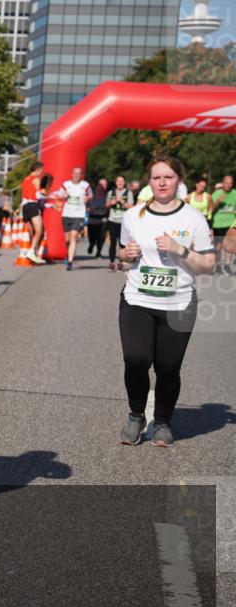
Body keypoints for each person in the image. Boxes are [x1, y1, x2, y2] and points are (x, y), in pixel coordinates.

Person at [118, 156, 215, 447]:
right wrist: (127, 254)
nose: (162, 182)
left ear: (178, 181)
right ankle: (136, 414)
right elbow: (122, 254)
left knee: (168, 367)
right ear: (149, 181)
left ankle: (162, 420)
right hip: (138, 298)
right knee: (136, 360)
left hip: (179, 303)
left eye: (168, 177)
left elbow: (209, 264)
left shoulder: (194, 218)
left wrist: (179, 250)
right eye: (156, 177)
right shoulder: (133, 216)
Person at [56, 167, 92, 270]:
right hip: (67, 214)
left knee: (74, 236)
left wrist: (88, 198)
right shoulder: (66, 184)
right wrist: (63, 196)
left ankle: (70, 262)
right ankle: (68, 254)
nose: (76, 175)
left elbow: (90, 194)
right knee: (67, 239)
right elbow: (59, 195)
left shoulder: (85, 185)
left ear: (82, 175)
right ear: (71, 174)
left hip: (79, 214)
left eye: (79, 173)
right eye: (75, 173)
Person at [20, 161, 46, 264]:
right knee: (39, 231)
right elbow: (38, 195)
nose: (41, 173)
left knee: (33, 231)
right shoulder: (36, 179)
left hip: (25, 206)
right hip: (32, 205)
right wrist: (52, 197)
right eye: (41, 171)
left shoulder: (26, 179)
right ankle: (31, 251)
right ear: (37, 169)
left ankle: (32, 252)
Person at [106, 175, 133, 271]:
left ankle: (121, 261)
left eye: (122, 181)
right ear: (116, 182)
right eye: (118, 181)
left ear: (124, 182)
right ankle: (112, 262)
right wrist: (111, 203)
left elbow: (131, 206)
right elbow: (107, 205)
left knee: (122, 243)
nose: (120, 183)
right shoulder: (111, 192)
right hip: (112, 220)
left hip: (123, 221)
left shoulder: (128, 193)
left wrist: (122, 201)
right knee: (113, 242)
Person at [211, 175, 235, 274]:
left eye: (230, 183)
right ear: (223, 183)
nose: (228, 185)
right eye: (227, 183)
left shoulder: (235, 193)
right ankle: (217, 266)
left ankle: (227, 265)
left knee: (230, 246)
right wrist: (217, 202)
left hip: (231, 224)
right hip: (218, 224)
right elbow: (210, 209)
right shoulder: (216, 194)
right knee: (218, 247)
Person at [87, 178, 110, 258]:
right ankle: (91, 244)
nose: (102, 186)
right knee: (91, 236)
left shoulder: (108, 194)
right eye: (101, 184)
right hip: (92, 218)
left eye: (104, 185)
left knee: (101, 236)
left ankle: (99, 251)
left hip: (103, 218)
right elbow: (87, 202)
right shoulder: (92, 193)